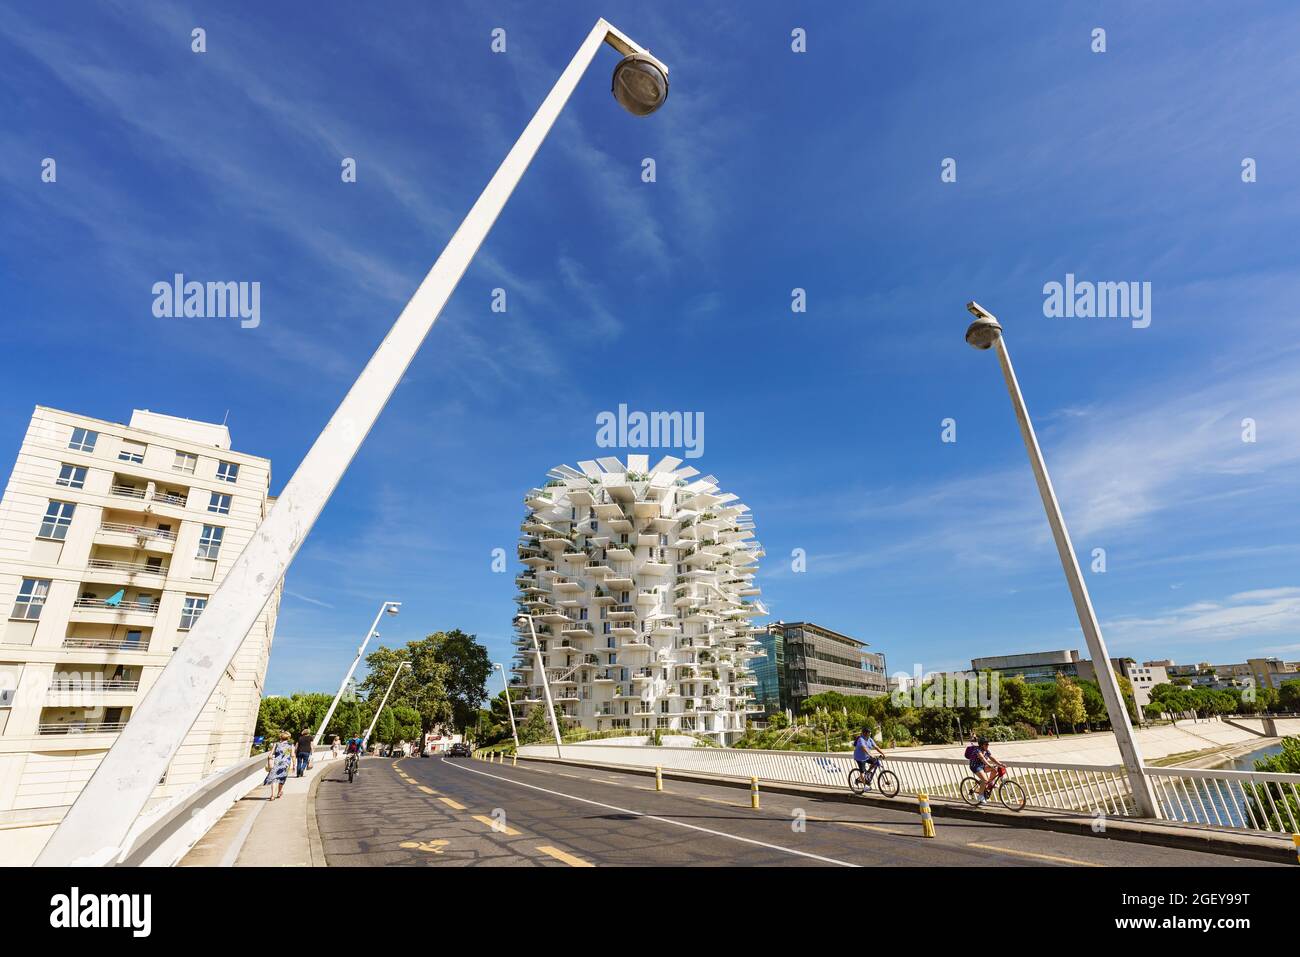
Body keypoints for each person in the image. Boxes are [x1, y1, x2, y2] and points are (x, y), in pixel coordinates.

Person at [965, 736, 1002, 803]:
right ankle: (980, 796)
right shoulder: (977, 750)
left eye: (988, 744)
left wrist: (1000, 764)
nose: (988, 745)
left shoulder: (986, 750)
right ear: (982, 745)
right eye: (986, 744)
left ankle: (990, 783)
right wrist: (989, 765)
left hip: (982, 766)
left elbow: (991, 758)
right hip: (975, 766)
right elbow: (982, 758)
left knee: (995, 769)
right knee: (984, 780)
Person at [265, 731, 293, 800]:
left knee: (274, 779)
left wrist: (269, 761)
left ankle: (272, 795)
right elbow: (293, 755)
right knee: (282, 779)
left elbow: (270, 755)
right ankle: (279, 792)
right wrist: (294, 765)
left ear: (281, 737)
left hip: (277, 763)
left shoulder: (276, 744)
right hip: (285, 764)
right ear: (288, 738)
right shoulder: (291, 745)